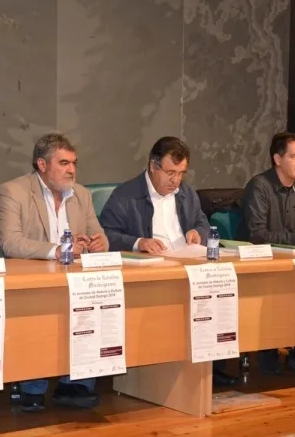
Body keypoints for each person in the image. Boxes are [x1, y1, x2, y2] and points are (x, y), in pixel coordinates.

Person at [99, 136, 237, 386]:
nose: (176, 180)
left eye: (181, 173)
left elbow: (202, 221)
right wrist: (139, 242)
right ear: (153, 166)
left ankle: (210, 364)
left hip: (188, 265)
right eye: (170, 173)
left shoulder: (186, 193)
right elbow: (105, 233)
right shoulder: (126, 195)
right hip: (151, 273)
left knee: (221, 287)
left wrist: (198, 233)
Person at [0, 132, 107, 411]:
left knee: (96, 299)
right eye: (64, 163)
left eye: (74, 163)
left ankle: (76, 383)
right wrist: (58, 250)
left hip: (73, 278)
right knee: (38, 307)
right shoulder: (12, 191)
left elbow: (99, 235)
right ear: (42, 165)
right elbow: (10, 242)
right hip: (29, 279)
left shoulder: (81, 194)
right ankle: (31, 386)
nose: (71, 170)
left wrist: (98, 243)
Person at [238, 131, 295, 375]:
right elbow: (257, 235)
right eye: (294, 156)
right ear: (277, 159)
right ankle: (267, 348)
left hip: (293, 262)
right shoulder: (260, 186)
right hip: (259, 263)